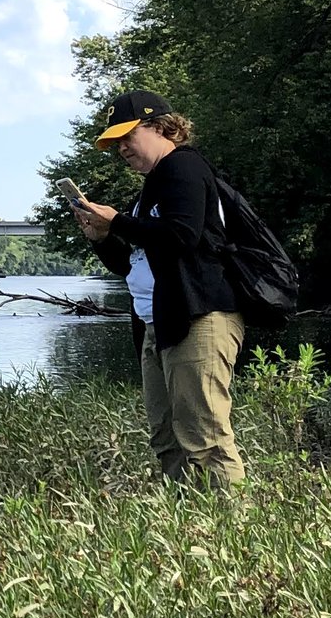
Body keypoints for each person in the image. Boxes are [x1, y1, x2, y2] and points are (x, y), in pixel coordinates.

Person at [68, 90, 246, 486]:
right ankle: (189, 524)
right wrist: (102, 235)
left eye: (126, 137)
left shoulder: (182, 167)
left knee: (205, 438)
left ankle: (232, 529)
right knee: (167, 437)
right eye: (114, 143)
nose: (120, 149)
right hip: (159, 321)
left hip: (198, 315)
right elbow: (128, 262)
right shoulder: (149, 188)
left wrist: (118, 221)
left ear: (159, 127)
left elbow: (181, 235)